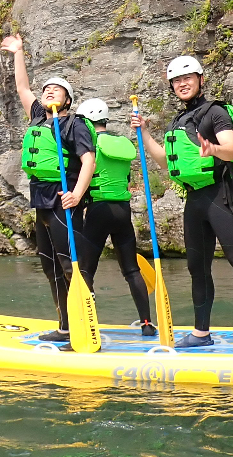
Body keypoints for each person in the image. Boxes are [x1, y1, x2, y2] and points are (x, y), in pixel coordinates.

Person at [132, 55, 233, 354]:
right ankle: (201, 332)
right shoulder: (179, 120)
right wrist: (145, 134)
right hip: (194, 201)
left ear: (201, 79)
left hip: (220, 196)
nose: (182, 83)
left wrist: (212, 148)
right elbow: (164, 162)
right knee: (197, 269)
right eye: (177, 80)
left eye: (188, 78)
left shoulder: (214, 113)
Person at [0, 34, 96, 344]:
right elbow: (22, 88)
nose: (48, 91)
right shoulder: (39, 117)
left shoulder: (73, 125)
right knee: (49, 264)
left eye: (56, 89)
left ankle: (85, 325)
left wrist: (77, 194)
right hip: (40, 199)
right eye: (47, 89)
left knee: (70, 264)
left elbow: (88, 160)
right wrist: (18, 52)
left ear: (67, 100)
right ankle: (65, 327)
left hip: (62, 198)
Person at [75, 98, 156, 337]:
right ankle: (146, 323)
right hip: (123, 211)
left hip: (99, 210)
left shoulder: (89, 146)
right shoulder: (121, 143)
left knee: (86, 271)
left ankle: (87, 324)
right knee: (131, 270)